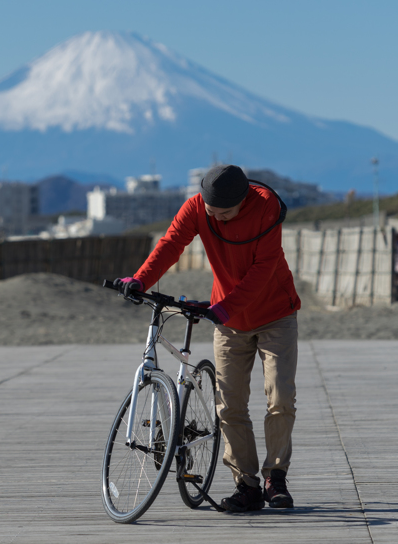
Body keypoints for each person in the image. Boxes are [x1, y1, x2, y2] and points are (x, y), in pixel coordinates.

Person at [115, 164, 300, 512]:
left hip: (275, 313)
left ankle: (276, 475)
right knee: (229, 404)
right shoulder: (197, 207)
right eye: (211, 212)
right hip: (229, 319)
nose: (217, 219)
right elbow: (171, 244)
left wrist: (225, 308)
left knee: (281, 395)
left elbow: (264, 268)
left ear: (243, 201)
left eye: (224, 213)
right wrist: (140, 279)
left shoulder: (266, 208)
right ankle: (246, 484)